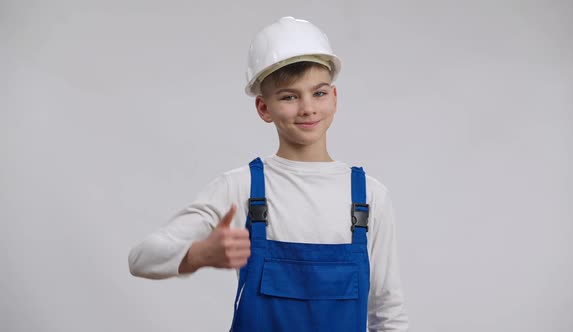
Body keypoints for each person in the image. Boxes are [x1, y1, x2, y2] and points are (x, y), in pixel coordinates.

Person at [128, 16, 409, 331]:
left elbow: (387, 313)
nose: (307, 108)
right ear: (264, 108)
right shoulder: (241, 188)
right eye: (289, 96)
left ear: (334, 97)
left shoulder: (369, 197)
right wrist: (198, 254)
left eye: (318, 93)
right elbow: (141, 258)